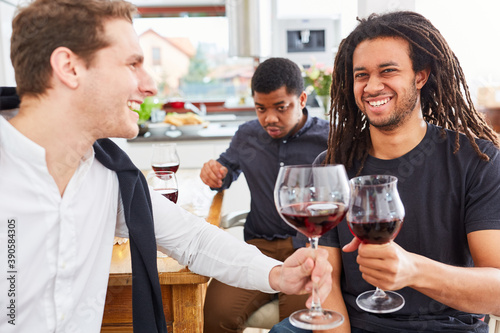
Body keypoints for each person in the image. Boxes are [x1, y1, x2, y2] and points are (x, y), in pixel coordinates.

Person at [0, 1, 334, 332]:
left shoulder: (110, 178)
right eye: (133, 64)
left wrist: (278, 274)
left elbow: (194, 240)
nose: (151, 86)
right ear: (69, 68)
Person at [271, 10, 500, 333]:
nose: (372, 86)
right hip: (352, 324)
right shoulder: (331, 167)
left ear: (420, 76)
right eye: (361, 75)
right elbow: (327, 286)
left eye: (388, 71)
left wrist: (415, 270)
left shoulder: (477, 162)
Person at [200, 57, 331, 332]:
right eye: (260, 108)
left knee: (297, 326)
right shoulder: (247, 136)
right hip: (256, 250)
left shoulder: (329, 139)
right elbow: (224, 174)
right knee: (213, 315)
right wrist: (214, 174)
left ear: (302, 99)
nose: (269, 118)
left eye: (281, 108)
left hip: (309, 249)